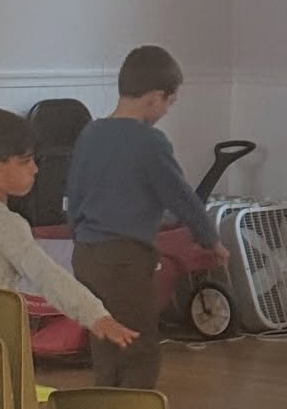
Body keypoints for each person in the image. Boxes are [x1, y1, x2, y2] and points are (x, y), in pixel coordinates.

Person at [66, 45, 228, 389]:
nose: (166, 111)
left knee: (106, 342)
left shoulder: (90, 133)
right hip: (125, 259)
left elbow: (74, 195)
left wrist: (80, 237)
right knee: (139, 349)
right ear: (156, 97)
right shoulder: (150, 142)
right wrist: (209, 239)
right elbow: (181, 196)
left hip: (86, 255)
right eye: (169, 103)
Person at [0, 108, 138, 353]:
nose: (35, 169)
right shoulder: (5, 225)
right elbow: (46, 275)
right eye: (26, 161)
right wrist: (96, 315)